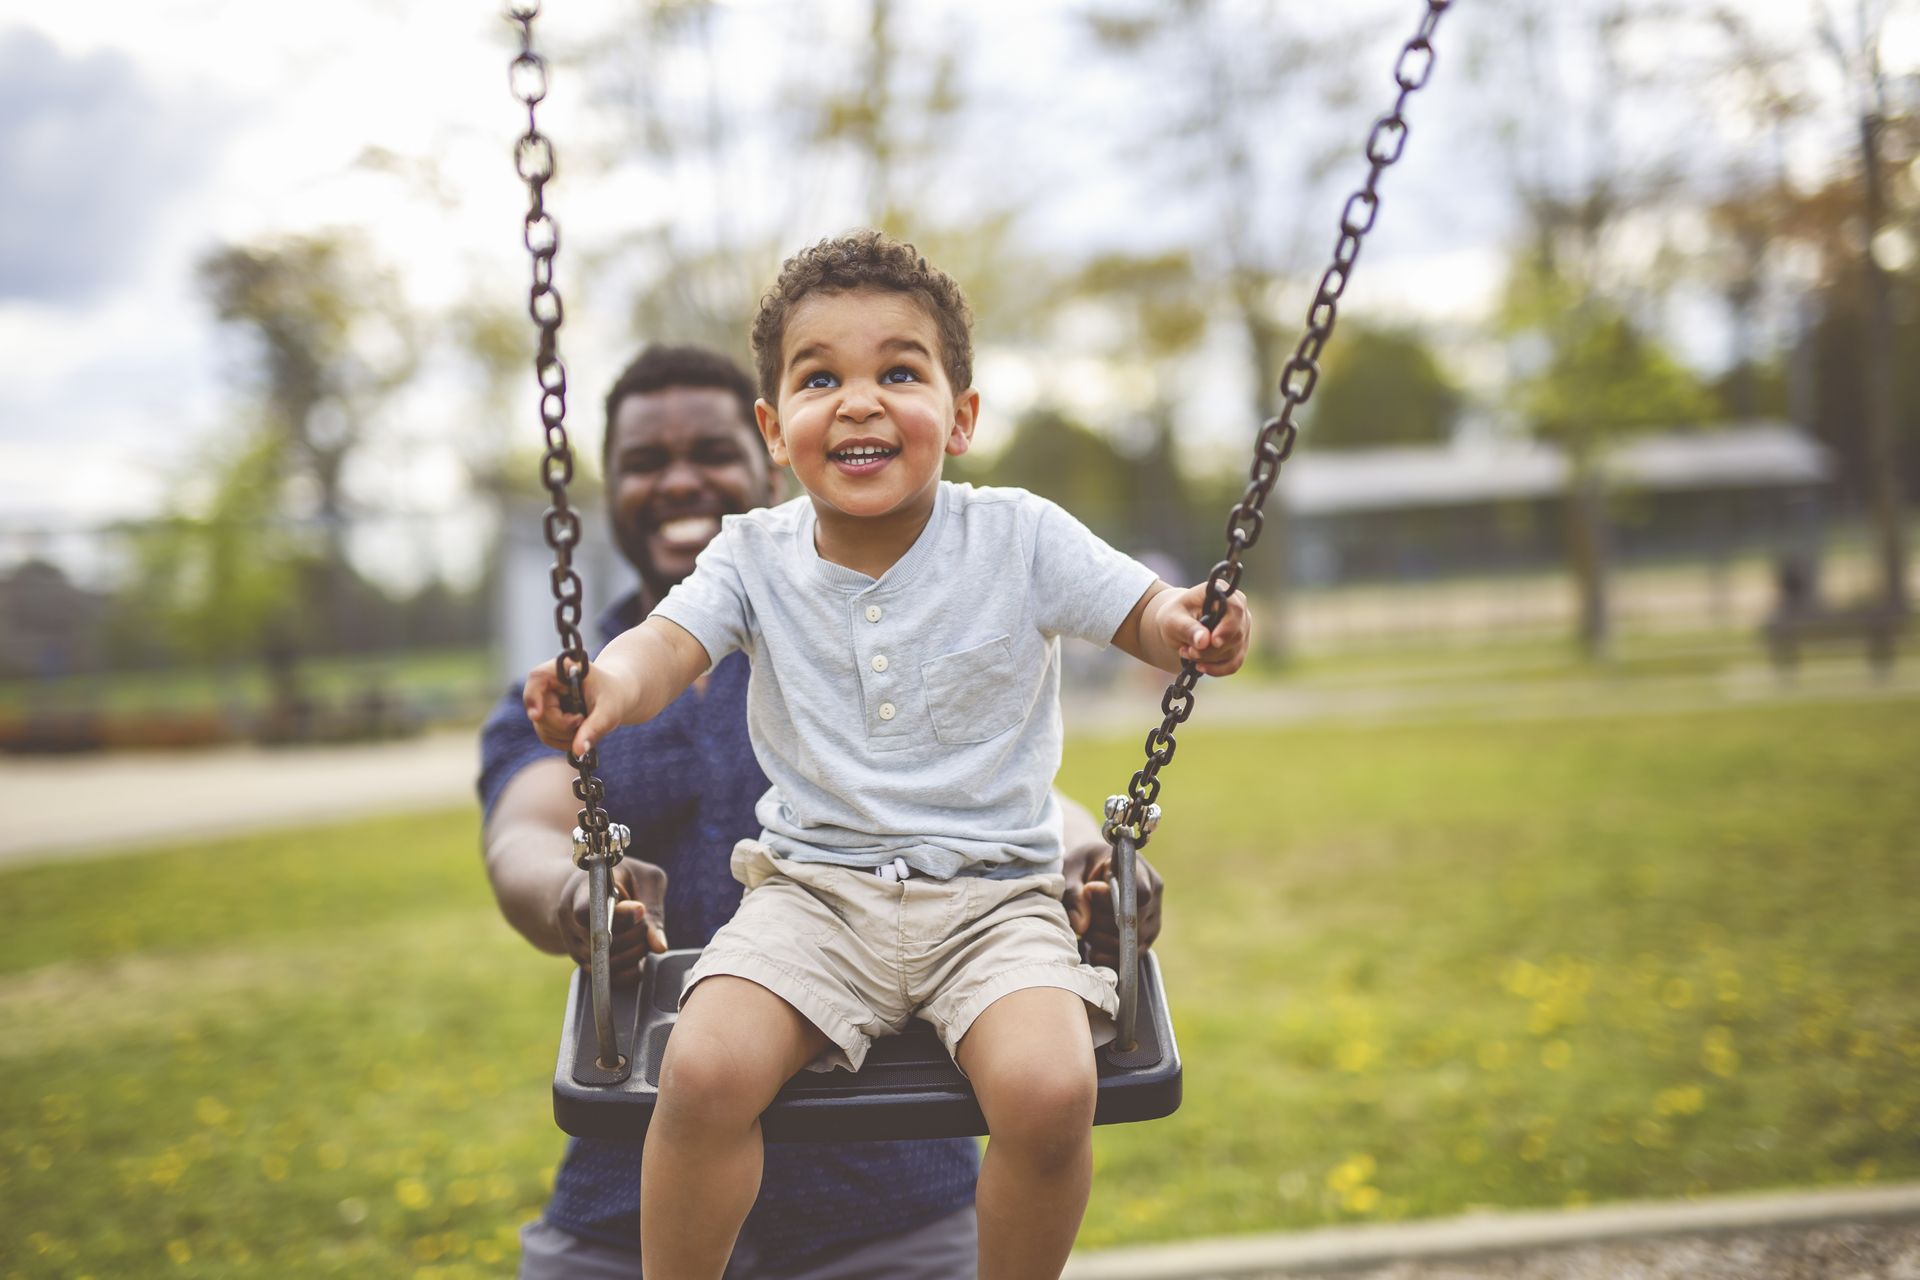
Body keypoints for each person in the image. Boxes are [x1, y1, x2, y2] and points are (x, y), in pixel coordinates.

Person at [525, 232, 1249, 1279]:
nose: (859, 400)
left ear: (960, 417)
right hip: (812, 894)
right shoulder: (749, 555)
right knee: (700, 1071)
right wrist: (603, 685)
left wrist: (1192, 622)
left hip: (998, 899)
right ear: (778, 429)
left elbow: (1143, 610)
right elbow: (663, 649)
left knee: (1052, 1091)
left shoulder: (1019, 535)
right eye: (822, 377)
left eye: (898, 370)